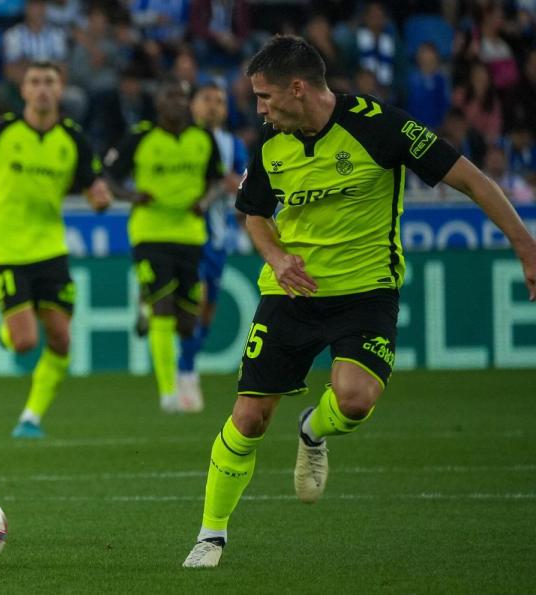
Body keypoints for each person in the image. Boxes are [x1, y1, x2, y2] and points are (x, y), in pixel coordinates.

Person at [182, 36, 536, 569]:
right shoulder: (270, 143)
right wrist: (276, 256)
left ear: (297, 88)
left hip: (367, 292)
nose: (258, 108)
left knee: (354, 401)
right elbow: (254, 213)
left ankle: (312, 430)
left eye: (264, 96)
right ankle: (211, 535)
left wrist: (524, 243)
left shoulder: (380, 126)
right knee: (250, 416)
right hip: (290, 293)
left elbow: (469, 178)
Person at [0, 62, 112, 438]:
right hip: (6, 249)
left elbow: (94, 186)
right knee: (23, 343)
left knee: (61, 339)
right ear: (24, 91)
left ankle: (31, 418)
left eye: (49, 82)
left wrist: (100, 197)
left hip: (51, 248)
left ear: (61, 88)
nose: (42, 89)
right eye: (35, 82)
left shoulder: (73, 139)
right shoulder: (0, 133)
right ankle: (7, 328)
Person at [103, 81, 224, 413]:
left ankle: (143, 303)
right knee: (164, 307)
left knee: (187, 323)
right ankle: (168, 392)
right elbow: (109, 175)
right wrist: (131, 196)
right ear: (158, 103)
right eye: (168, 95)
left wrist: (206, 200)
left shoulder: (203, 138)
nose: (175, 102)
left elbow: (217, 178)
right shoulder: (140, 137)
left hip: (190, 233)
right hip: (149, 233)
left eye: (179, 96)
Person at [175, 83, 247, 411]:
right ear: (192, 105)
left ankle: (184, 363)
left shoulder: (234, 145)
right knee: (197, 298)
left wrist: (238, 187)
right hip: (187, 236)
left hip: (219, 238)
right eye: (206, 98)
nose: (213, 106)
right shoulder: (182, 140)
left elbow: (248, 183)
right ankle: (185, 373)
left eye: (219, 100)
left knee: (208, 311)